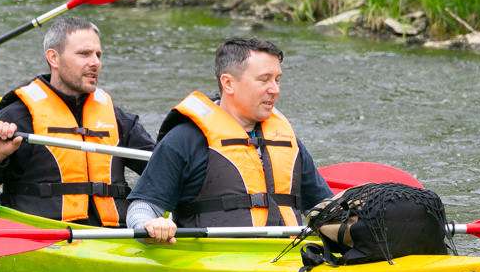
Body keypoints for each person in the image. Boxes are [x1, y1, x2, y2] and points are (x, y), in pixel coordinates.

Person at [127, 37, 333, 243]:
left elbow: (325, 208)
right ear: (229, 83)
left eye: (277, 79)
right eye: (264, 79)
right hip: (213, 261)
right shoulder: (184, 140)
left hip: (286, 259)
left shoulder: (287, 141)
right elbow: (143, 206)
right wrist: (150, 225)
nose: (275, 89)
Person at [0, 16, 155, 227]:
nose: (95, 62)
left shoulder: (118, 120)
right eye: (84, 54)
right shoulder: (16, 117)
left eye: (98, 55)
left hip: (113, 238)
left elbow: (167, 172)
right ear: (54, 58)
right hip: (44, 236)